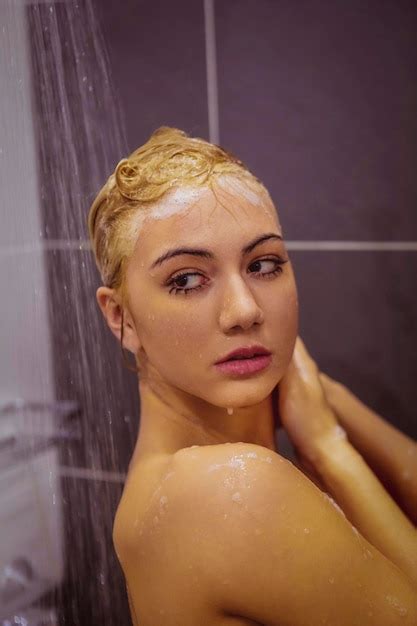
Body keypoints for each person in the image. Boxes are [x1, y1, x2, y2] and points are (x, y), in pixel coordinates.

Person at [88, 126, 417, 625]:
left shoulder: (170, 485)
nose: (244, 310)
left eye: (263, 265)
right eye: (187, 279)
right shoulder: (228, 490)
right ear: (121, 318)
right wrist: (329, 445)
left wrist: (328, 397)